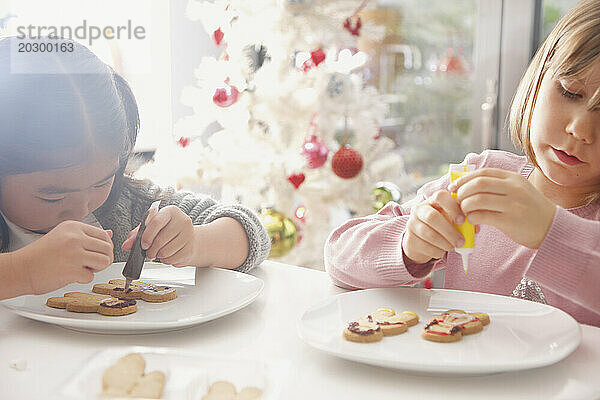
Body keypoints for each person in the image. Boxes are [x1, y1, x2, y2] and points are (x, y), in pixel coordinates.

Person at [325, 0, 600, 327]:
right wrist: (408, 243)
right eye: (570, 92)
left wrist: (550, 232)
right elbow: (340, 255)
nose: (580, 129)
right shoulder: (482, 177)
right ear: (538, 82)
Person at [0, 36, 270, 300]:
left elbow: (250, 234)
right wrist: (23, 272)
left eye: (101, 182)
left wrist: (194, 242)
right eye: (53, 196)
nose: (81, 208)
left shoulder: (126, 204)